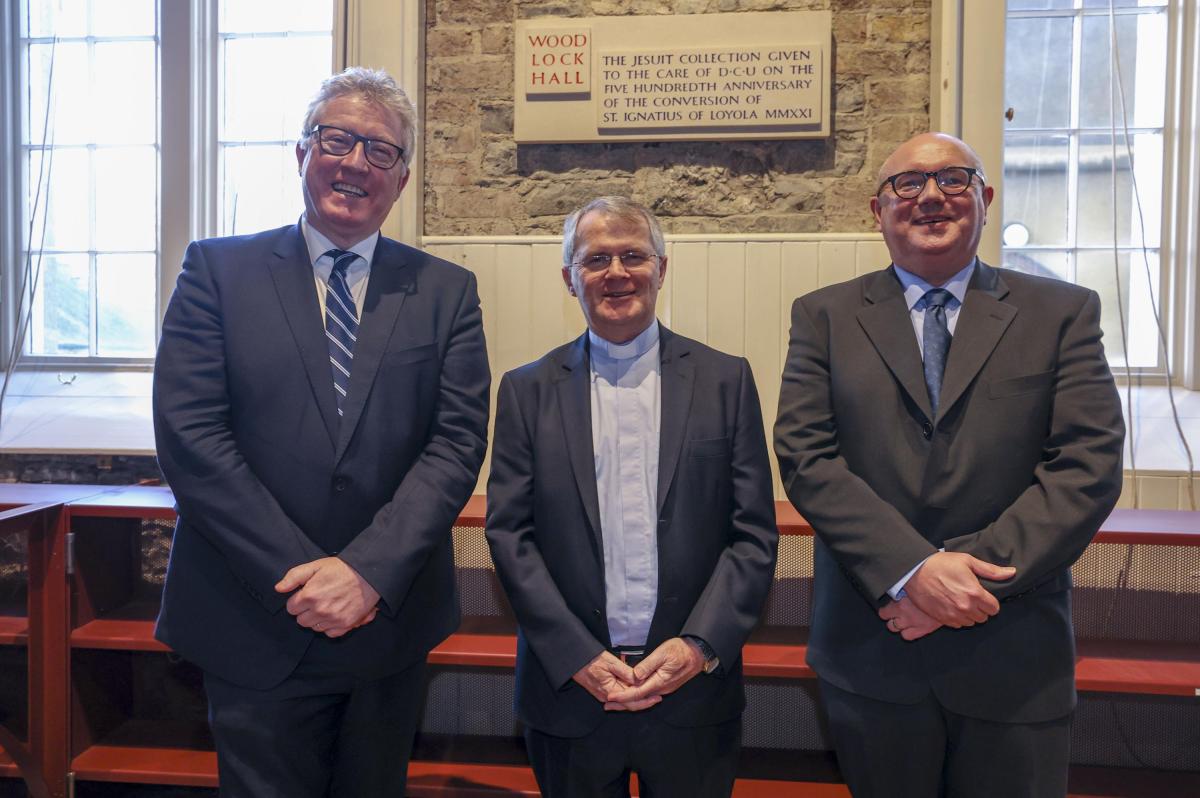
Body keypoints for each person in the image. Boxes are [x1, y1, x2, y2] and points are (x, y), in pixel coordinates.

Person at [152, 67, 490, 797]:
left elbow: (456, 443)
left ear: (401, 180)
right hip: (251, 612)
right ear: (301, 153)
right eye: (337, 140)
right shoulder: (216, 271)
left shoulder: (445, 292)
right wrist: (307, 578)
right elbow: (191, 438)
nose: (356, 163)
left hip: (386, 621)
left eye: (381, 151)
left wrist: (365, 573)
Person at [774, 132, 1124, 797]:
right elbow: (806, 457)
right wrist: (912, 572)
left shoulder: (1062, 313)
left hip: (1012, 650)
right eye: (908, 184)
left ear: (986, 200)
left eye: (954, 180)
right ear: (877, 210)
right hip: (873, 649)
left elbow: (1087, 463)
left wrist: (961, 584)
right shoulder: (823, 316)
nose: (931, 196)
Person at [485, 196, 778, 797]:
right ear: (570, 279)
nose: (616, 273)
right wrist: (575, 655)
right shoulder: (525, 390)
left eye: (633, 256)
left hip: (693, 690)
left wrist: (698, 645)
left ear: (662, 268)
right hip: (569, 692)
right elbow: (510, 536)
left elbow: (752, 534)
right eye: (596, 260)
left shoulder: (727, 381)